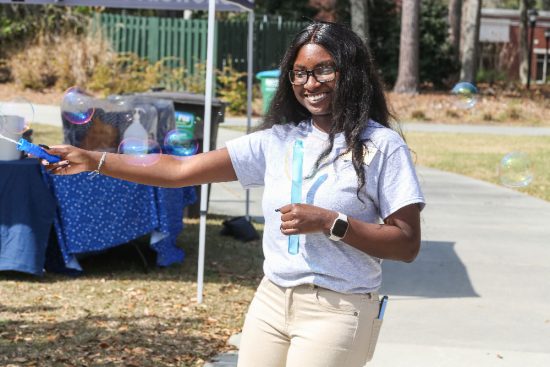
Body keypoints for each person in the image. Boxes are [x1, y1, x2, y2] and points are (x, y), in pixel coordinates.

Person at [45, 21, 425, 367]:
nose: (310, 83)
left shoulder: (381, 146)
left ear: (351, 72)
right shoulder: (279, 140)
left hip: (338, 308)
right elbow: (179, 170)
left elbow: (406, 244)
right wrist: (93, 158)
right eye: (300, 73)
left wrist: (330, 223)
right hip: (272, 300)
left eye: (324, 69)